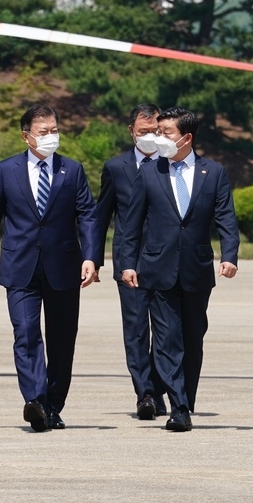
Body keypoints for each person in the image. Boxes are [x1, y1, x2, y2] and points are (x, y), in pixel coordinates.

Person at [116, 107, 239, 432]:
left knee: (192, 338)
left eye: (166, 132)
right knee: (167, 338)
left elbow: (225, 216)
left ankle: (187, 398)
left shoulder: (213, 173)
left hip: (197, 269)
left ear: (186, 137)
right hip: (157, 268)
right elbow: (131, 224)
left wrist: (230, 255)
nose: (159, 138)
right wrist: (128, 262)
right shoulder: (150, 172)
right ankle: (178, 406)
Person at [0, 104, 98, 432]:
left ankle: (53, 405)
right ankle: (35, 400)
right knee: (26, 334)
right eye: (43, 131)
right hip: (20, 266)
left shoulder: (71, 170)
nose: (50, 136)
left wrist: (91, 257)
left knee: (61, 340)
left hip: (64, 266)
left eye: (54, 130)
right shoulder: (7, 169)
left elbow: (87, 214)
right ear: (26, 135)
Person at [93, 103, 168, 420]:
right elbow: (101, 217)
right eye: (143, 132)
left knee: (166, 334)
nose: (149, 137)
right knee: (136, 332)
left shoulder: (173, 164)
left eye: (155, 132)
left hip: (166, 262)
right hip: (130, 263)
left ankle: (160, 386)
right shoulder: (116, 167)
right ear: (131, 132)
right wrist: (93, 259)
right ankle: (146, 394)